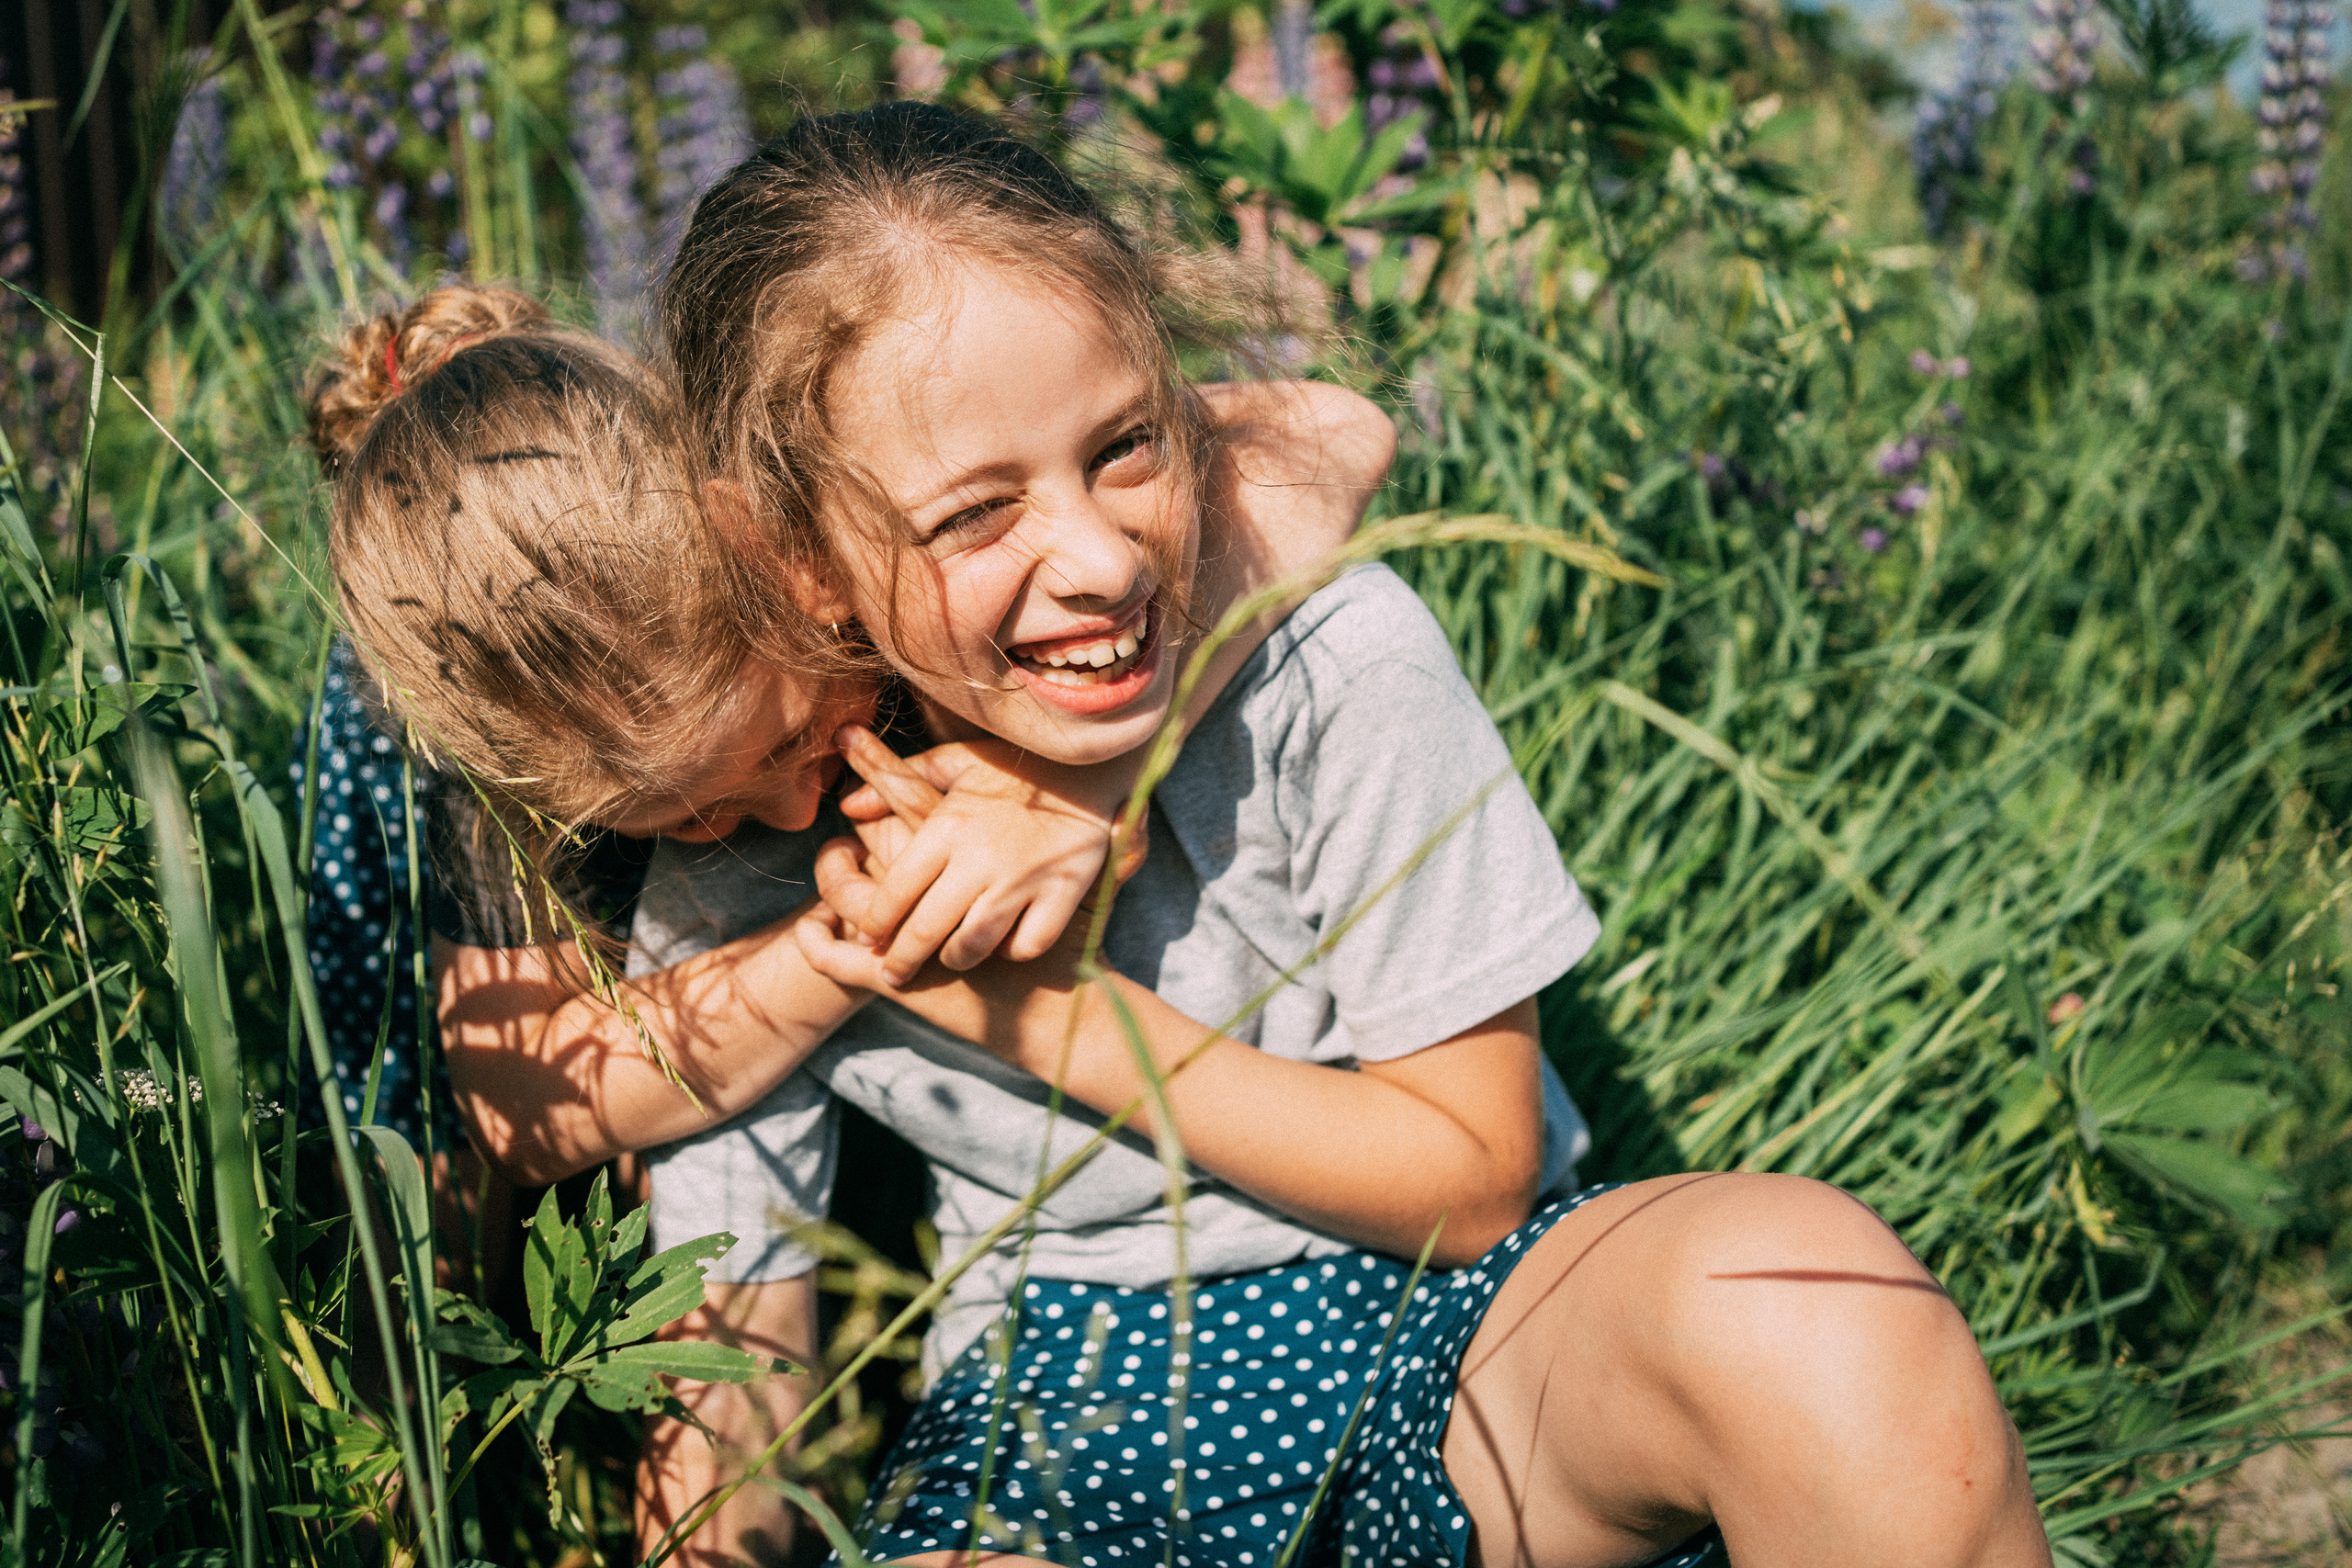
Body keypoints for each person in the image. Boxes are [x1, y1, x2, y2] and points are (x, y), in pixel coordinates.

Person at [612, 102, 2052, 1568]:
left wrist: (1051, 1022)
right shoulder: (768, 832)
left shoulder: (1333, 658)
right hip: (1053, 1420)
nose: (1105, 560)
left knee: (1819, 1307)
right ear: (795, 561)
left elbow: (1476, 1169)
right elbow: (738, 1357)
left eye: (1126, 447)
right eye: (978, 515)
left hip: (1469, 1323)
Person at [305, 282, 1397, 1563]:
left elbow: (1332, 433)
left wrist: (1061, 785)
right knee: (418, 1166)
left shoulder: (803, 505)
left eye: (780, 737)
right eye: (697, 811)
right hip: (564, 1022)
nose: (787, 797)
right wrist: (838, 954)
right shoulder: (496, 731)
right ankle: (424, 1481)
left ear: (777, 560)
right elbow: (510, 1096)